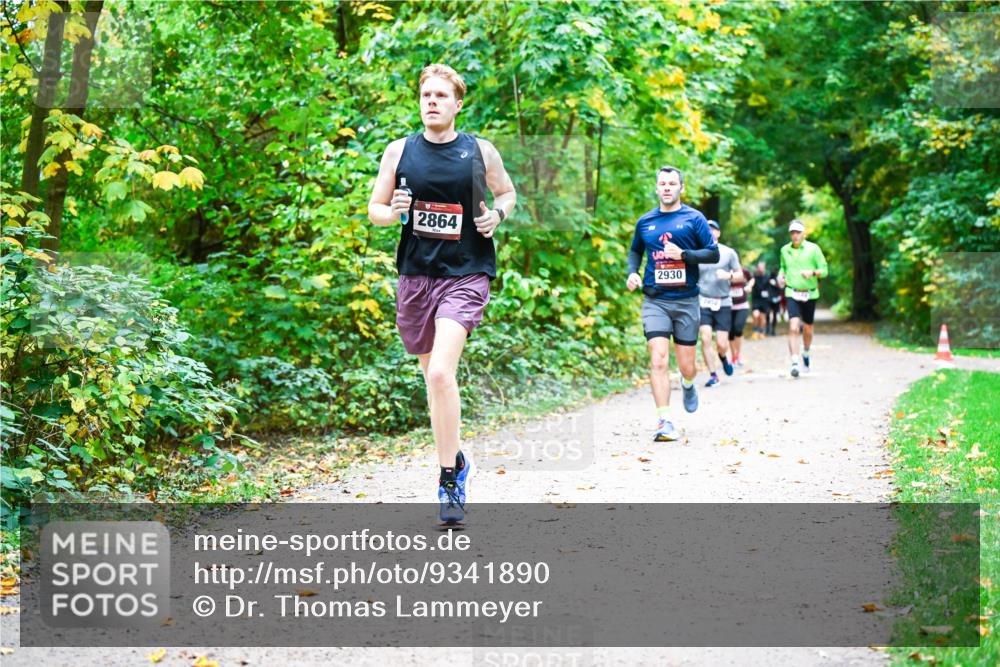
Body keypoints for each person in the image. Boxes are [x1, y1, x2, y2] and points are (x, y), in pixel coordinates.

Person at [368, 64, 516, 523]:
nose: (431, 101)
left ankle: (448, 478)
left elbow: (507, 193)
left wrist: (498, 215)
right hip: (416, 276)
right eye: (426, 95)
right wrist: (391, 213)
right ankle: (458, 457)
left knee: (439, 375)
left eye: (440, 95)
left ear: (457, 104)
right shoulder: (399, 152)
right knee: (434, 382)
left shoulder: (479, 150)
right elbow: (375, 209)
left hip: (466, 273)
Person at [626, 166, 719, 442]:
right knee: (658, 359)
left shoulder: (694, 218)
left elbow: (712, 254)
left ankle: (688, 383)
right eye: (662, 183)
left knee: (687, 366)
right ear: (656, 188)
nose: (667, 187)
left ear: (681, 188)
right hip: (655, 300)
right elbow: (635, 251)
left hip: (686, 300)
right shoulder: (645, 222)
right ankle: (664, 420)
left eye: (672, 183)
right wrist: (632, 272)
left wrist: (684, 254)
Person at [778, 219, 829, 378]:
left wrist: (813, 273)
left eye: (798, 232)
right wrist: (781, 276)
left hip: (810, 293)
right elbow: (783, 268)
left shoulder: (814, 249)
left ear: (804, 233)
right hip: (792, 292)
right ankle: (794, 362)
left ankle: (805, 352)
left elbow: (825, 270)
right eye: (792, 232)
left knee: (807, 328)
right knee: (793, 326)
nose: (795, 235)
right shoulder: (784, 250)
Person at [696, 221, 744, 386]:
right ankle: (713, 375)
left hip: (723, 301)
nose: (709, 232)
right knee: (705, 338)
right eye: (706, 230)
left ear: (718, 233)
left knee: (722, 344)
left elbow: (740, 275)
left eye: (713, 229)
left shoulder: (728, 253)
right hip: (703, 301)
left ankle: (723, 357)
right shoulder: (697, 252)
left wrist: (728, 275)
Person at [728, 264, 753, 365]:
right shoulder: (725, 271)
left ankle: (738, 354)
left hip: (742, 305)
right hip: (728, 306)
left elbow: (752, 279)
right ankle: (733, 355)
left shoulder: (743, 271)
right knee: (730, 332)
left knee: (738, 329)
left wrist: (749, 286)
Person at [750, 261, 769, 339]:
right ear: (757, 268)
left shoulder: (767, 277)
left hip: (764, 300)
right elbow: (750, 285)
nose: (761, 269)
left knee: (762, 317)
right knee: (755, 315)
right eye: (759, 267)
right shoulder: (753, 277)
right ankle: (755, 331)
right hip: (756, 299)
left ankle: (761, 332)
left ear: (764, 268)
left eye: (762, 267)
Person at [767, 268, 782, 336]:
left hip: (776, 300)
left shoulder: (777, 279)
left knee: (774, 315)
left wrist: (775, 284)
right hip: (769, 299)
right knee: (768, 314)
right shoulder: (768, 279)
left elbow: (781, 288)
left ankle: (773, 330)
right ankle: (768, 328)